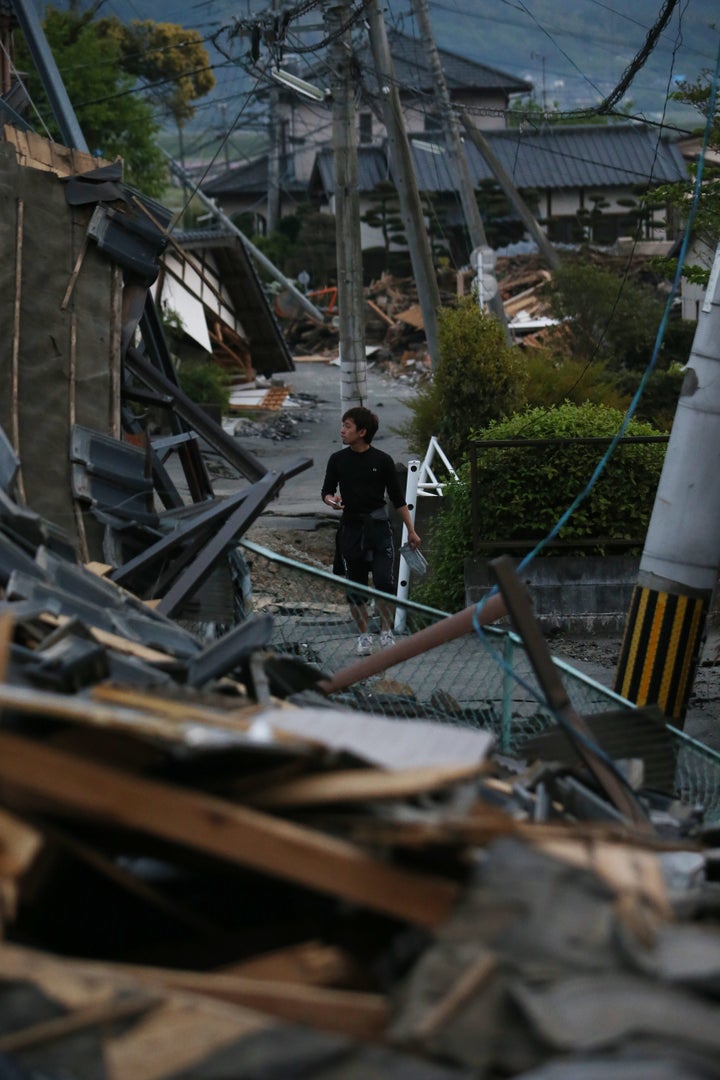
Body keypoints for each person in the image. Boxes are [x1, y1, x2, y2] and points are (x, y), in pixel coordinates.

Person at [321, 406, 422, 655]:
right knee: (355, 587)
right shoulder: (338, 459)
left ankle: (386, 633)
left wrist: (411, 530)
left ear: (362, 432)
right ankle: (364, 636)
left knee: (384, 583)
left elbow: (398, 500)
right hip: (351, 528)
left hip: (379, 528)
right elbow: (326, 491)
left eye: (347, 426)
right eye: (343, 425)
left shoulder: (382, 460)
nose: (342, 431)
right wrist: (331, 500)